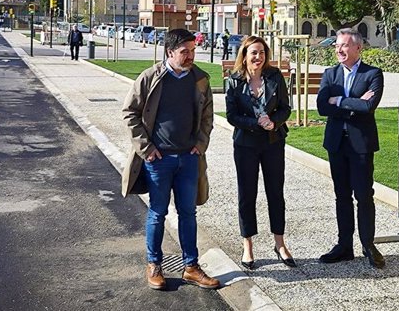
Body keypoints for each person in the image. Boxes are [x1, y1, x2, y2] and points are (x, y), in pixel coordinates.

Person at [121, 29, 219, 291]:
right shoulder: (151, 78)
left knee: (188, 213)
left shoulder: (200, 79)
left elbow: (208, 116)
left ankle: (191, 267)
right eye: (184, 51)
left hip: (188, 159)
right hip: (158, 160)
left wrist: (200, 143)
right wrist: (147, 148)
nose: (190, 56)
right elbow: (130, 112)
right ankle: (154, 264)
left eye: (192, 51)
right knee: (157, 213)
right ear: (169, 52)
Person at [316, 28, 386, 268]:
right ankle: (344, 245)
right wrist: (354, 103)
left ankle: (368, 244)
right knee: (341, 196)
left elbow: (369, 106)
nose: (339, 49)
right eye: (337, 45)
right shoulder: (330, 74)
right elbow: (322, 108)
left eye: (344, 45)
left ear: (358, 48)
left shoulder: (373, 74)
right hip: (336, 143)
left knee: (364, 195)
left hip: (360, 145)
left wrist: (340, 101)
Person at [225, 36, 295, 270]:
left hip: (273, 142)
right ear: (244, 55)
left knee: (276, 192)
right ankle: (248, 245)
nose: (258, 57)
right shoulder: (234, 81)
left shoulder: (275, 76)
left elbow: (286, 108)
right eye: (253, 52)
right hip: (245, 143)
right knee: (247, 193)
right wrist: (256, 122)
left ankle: (280, 243)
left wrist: (273, 122)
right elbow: (232, 115)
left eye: (262, 53)